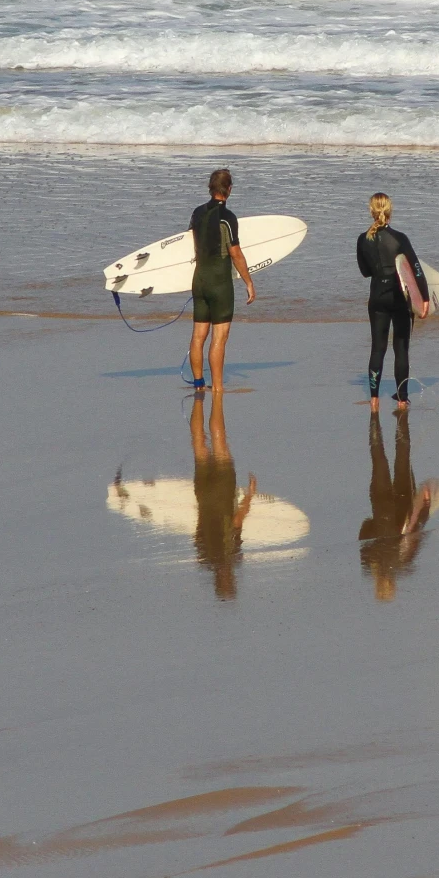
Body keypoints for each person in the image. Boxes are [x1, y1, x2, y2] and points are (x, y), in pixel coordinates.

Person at [355, 191, 429, 412]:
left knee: (377, 349)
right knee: (401, 348)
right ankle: (402, 399)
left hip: (377, 296)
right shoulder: (399, 238)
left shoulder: (362, 239)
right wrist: (424, 299)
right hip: (399, 297)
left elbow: (365, 272)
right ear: (389, 210)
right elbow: (416, 270)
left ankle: (374, 400)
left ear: (371, 211)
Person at [186, 168, 256, 392]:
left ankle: (198, 384)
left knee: (198, 335)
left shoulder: (196, 213)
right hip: (219, 283)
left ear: (210, 188)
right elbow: (235, 252)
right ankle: (217, 388)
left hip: (199, 280)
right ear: (229, 189)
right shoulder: (228, 218)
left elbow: (190, 242)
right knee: (219, 337)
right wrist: (248, 281)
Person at [358, 409, 439, 601]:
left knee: (402, 458)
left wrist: (426, 503)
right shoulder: (369, 563)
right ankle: (377, 415)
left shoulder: (404, 564)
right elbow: (365, 529)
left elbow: (416, 529)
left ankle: (395, 416)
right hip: (381, 503)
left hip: (402, 504)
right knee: (378, 458)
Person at [190, 387, 255, 600]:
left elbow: (236, 522)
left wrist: (249, 497)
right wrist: (247, 498)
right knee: (199, 445)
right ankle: (202, 402)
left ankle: (205, 399)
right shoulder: (206, 557)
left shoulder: (217, 557)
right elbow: (234, 523)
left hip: (220, 494)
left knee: (219, 445)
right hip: (204, 496)